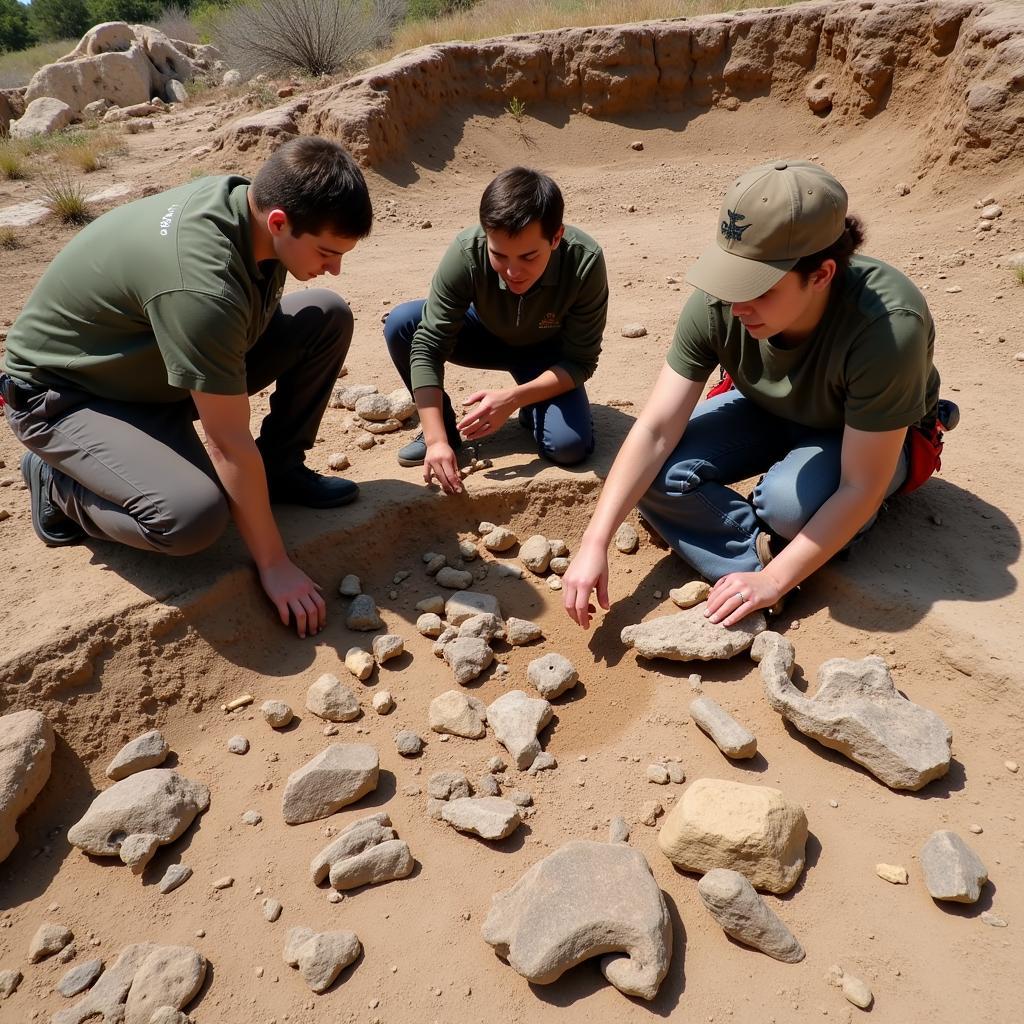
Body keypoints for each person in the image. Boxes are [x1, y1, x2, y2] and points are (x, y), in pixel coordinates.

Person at [1, 135, 372, 639]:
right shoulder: (202, 285)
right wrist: (275, 563)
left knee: (324, 315)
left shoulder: (247, 206)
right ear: (280, 222)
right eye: (328, 251)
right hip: (67, 396)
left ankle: (281, 470)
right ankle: (58, 485)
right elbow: (226, 443)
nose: (335, 266)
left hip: (148, 370)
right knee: (190, 520)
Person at [563, 159, 955, 631]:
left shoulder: (889, 327)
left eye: (758, 288)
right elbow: (653, 431)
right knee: (655, 476)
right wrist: (594, 542)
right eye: (731, 279)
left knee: (788, 507)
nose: (737, 305)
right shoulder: (720, 303)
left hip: (860, 433)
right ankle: (766, 553)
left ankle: (799, 542)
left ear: (822, 274)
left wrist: (773, 584)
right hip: (766, 408)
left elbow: (860, 485)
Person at [383, 166, 608, 494]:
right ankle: (446, 430)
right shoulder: (466, 251)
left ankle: (535, 407)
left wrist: (514, 399)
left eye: (529, 256)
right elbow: (429, 345)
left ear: (556, 237)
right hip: (482, 334)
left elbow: (581, 361)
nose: (513, 271)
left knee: (568, 448)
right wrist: (435, 440)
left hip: (546, 355)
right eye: (498, 255)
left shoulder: (584, 261)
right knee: (403, 324)